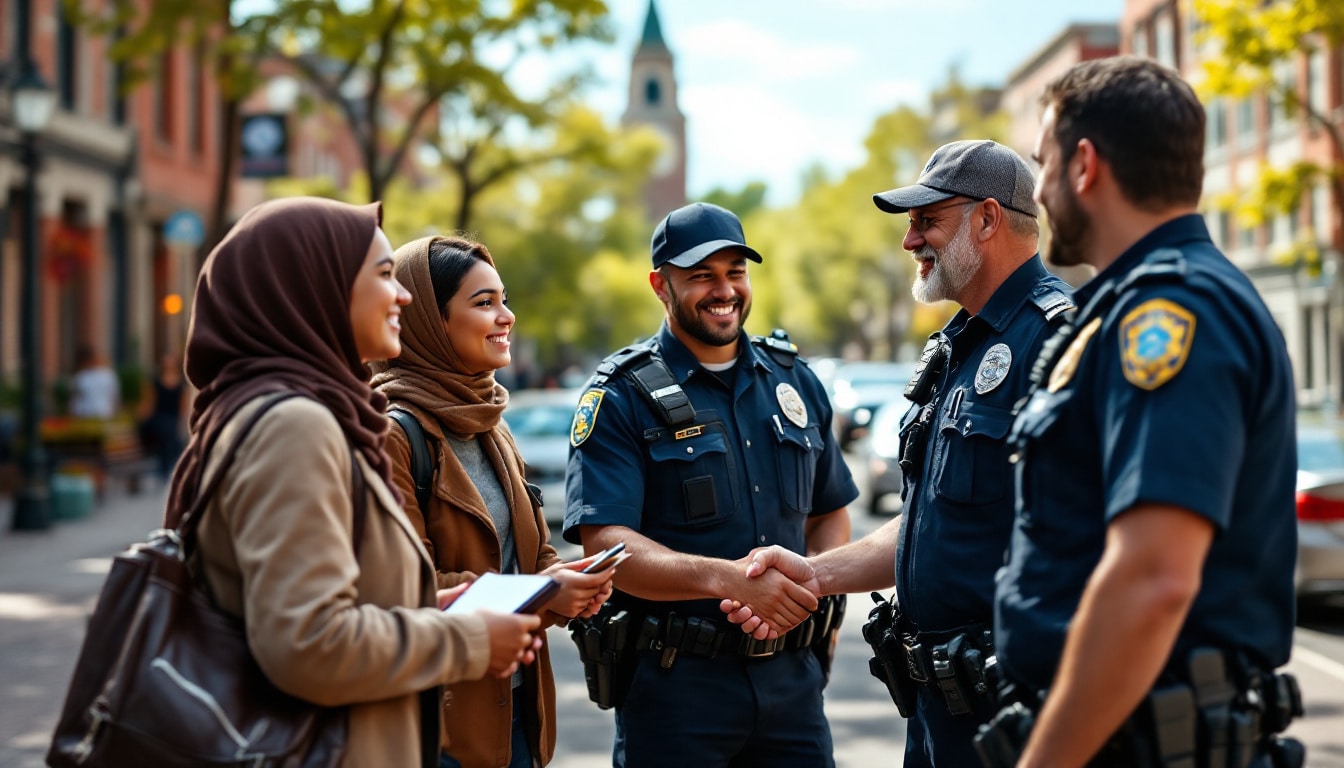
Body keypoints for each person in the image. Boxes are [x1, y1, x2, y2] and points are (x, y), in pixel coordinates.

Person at [980, 56, 1302, 767]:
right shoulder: (1124, 309)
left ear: (1085, 165)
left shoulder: (1171, 311)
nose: (1037, 189)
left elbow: (1154, 578)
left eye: (1043, 162)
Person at [722, 140, 1075, 768]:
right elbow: (932, 523)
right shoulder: (956, 349)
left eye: (926, 221)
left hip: (1019, 720)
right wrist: (815, 573)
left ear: (988, 219)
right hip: (938, 713)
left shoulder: (1058, 342)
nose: (910, 241)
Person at [166, 196, 544, 768]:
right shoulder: (293, 425)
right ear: (314, 288)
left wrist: (437, 604)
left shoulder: (292, 413)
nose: (404, 296)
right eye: (385, 275)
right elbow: (306, 644)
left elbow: (324, 600)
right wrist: (468, 641)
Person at [562, 201, 857, 768]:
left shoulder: (794, 380)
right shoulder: (620, 395)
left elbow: (829, 511)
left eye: (735, 272)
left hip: (793, 684)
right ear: (660, 285)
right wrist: (732, 583)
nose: (724, 290)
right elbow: (606, 545)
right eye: (701, 276)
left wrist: (816, 596)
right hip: (677, 691)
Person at [371, 235, 616, 768]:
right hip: (440, 727)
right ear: (432, 323)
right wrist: (539, 590)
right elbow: (403, 588)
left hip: (518, 717)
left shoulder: (491, 424)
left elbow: (532, 555)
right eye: (483, 303)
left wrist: (568, 583)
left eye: (503, 299)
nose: (506, 316)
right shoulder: (392, 435)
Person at [137, 352, 190, 480]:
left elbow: (183, 407)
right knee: (163, 428)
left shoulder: (181, 384)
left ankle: (166, 468)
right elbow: (150, 404)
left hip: (172, 419)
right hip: (159, 418)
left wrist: (182, 423)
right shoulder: (155, 381)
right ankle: (164, 468)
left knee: (170, 431)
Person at [68, 344, 120, 419]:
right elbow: (115, 397)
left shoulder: (80, 377)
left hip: (84, 415)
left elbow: (74, 401)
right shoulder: (109, 375)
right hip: (103, 414)